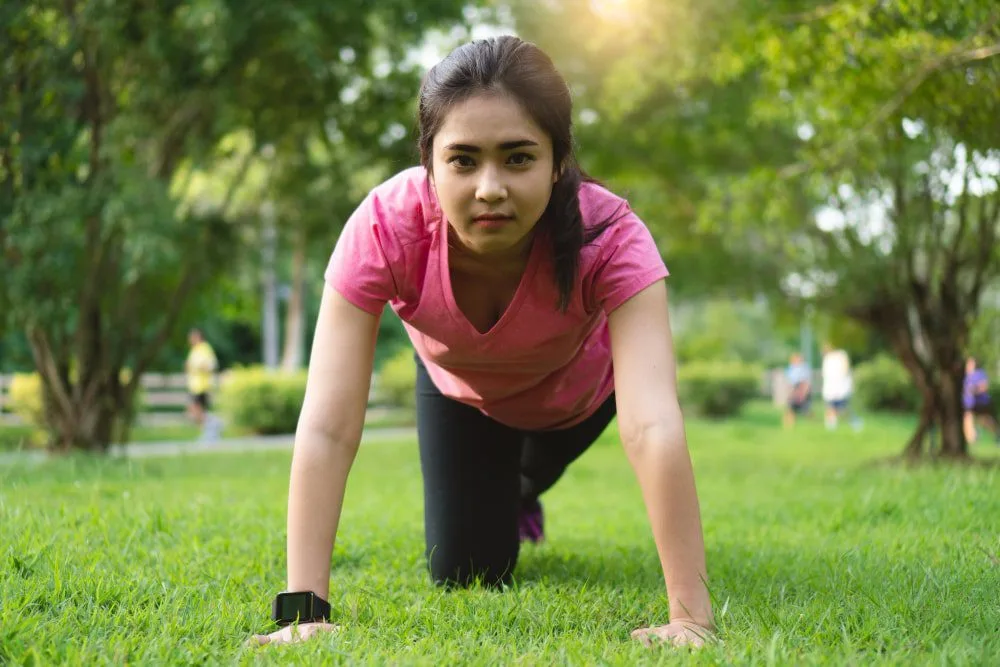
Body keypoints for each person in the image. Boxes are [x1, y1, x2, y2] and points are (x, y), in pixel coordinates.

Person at [252, 36, 714, 649]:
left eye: (518, 158)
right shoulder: (385, 225)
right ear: (429, 163)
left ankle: (520, 484)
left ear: (558, 161)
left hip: (575, 404)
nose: (490, 188)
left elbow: (652, 423)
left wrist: (690, 618)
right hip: (462, 395)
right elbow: (327, 427)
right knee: (466, 570)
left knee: (524, 475)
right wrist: (302, 615)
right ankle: (504, 493)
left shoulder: (611, 234)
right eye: (464, 160)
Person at [184, 328, 222, 442]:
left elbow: (211, 365)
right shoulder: (195, 350)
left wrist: (199, 367)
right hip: (194, 385)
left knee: (195, 410)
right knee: (195, 411)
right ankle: (210, 430)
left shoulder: (205, 348)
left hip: (202, 385)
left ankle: (213, 425)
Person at [820, 343, 861, 431]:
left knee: (843, 409)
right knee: (830, 407)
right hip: (830, 389)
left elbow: (845, 369)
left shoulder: (841, 355)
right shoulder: (827, 358)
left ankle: (855, 422)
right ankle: (831, 427)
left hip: (841, 388)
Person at [963, 356, 1000, 444]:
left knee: (985, 420)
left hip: (981, 403)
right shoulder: (966, 375)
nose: (968, 365)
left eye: (970, 363)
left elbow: (984, 386)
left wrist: (974, 390)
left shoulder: (980, 374)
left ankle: (997, 432)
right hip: (969, 404)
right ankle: (971, 439)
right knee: (967, 418)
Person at [783, 352, 812, 428]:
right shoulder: (790, 368)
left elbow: (806, 382)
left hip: (802, 389)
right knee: (790, 409)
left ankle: (815, 423)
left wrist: (803, 393)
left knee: (806, 411)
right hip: (794, 390)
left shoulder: (804, 368)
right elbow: (789, 382)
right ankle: (789, 426)